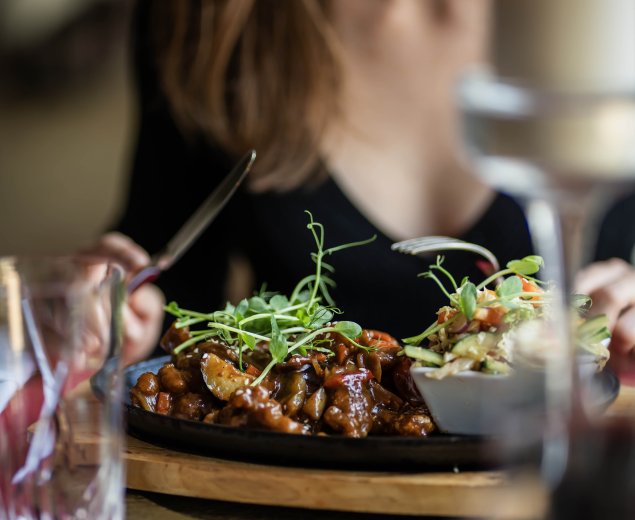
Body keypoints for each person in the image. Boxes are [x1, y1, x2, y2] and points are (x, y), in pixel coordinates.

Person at [88, 0, 635, 374]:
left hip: (591, 464)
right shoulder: (210, 18)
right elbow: (172, 292)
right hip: (295, 481)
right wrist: (112, 309)